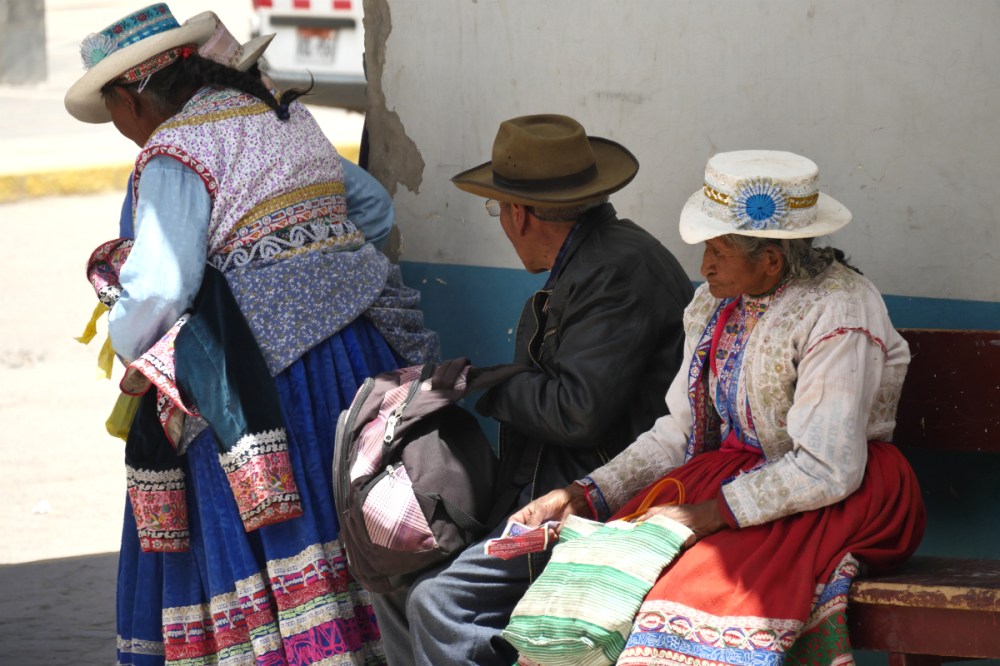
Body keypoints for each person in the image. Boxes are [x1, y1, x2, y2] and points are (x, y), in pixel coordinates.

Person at [64, 4, 438, 664]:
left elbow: (161, 289)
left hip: (264, 381)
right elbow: (373, 210)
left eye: (113, 110)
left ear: (130, 97)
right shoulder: (281, 116)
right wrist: (316, 263)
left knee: (286, 530)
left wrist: (131, 342)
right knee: (360, 517)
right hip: (355, 355)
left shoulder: (175, 153)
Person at [512, 149, 927, 665]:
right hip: (732, 480)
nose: (704, 266)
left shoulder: (839, 307)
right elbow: (680, 433)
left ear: (771, 259)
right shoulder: (714, 302)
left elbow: (828, 465)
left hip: (839, 492)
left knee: (690, 594)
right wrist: (586, 493)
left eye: (718, 251)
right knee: (607, 578)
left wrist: (707, 515)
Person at [371, 114, 695, 665]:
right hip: (540, 487)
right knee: (395, 570)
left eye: (498, 209)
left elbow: (576, 412)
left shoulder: (617, 270)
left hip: (598, 500)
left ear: (518, 214)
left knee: (440, 603)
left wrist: (489, 385)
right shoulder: (596, 259)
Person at [116, 11, 396, 252]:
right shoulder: (282, 130)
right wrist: (344, 262)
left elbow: (158, 277)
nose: (264, 83)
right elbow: (374, 205)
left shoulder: (170, 162)